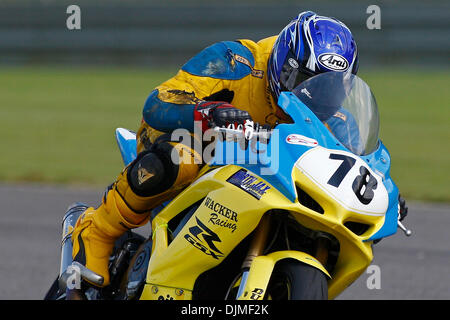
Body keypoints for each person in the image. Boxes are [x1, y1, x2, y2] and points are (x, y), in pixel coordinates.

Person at [70, 11, 405, 287]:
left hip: (272, 181)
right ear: (284, 66)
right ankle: (97, 228)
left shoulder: (337, 118)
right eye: (304, 81)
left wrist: (382, 190)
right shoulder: (236, 61)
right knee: (180, 157)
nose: (316, 95)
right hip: (206, 150)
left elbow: (352, 159)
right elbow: (159, 102)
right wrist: (206, 112)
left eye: (330, 87)